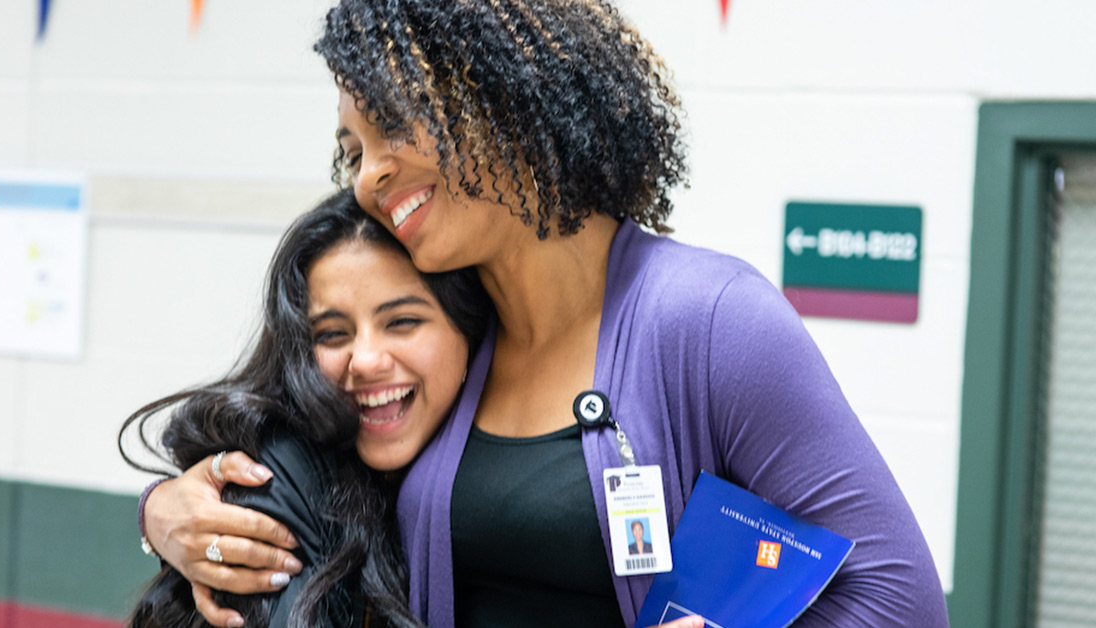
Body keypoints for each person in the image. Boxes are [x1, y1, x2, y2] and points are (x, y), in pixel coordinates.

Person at [143, 1, 950, 627]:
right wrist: (164, 515)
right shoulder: (450, 334)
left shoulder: (708, 321)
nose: (366, 177)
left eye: (390, 125)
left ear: (504, 95)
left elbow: (897, 598)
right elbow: (299, 459)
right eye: (352, 152)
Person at [121, 190, 489, 628]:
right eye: (333, 334)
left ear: (467, 331)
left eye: (402, 322)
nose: (366, 360)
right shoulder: (277, 473)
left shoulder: (483, 463)